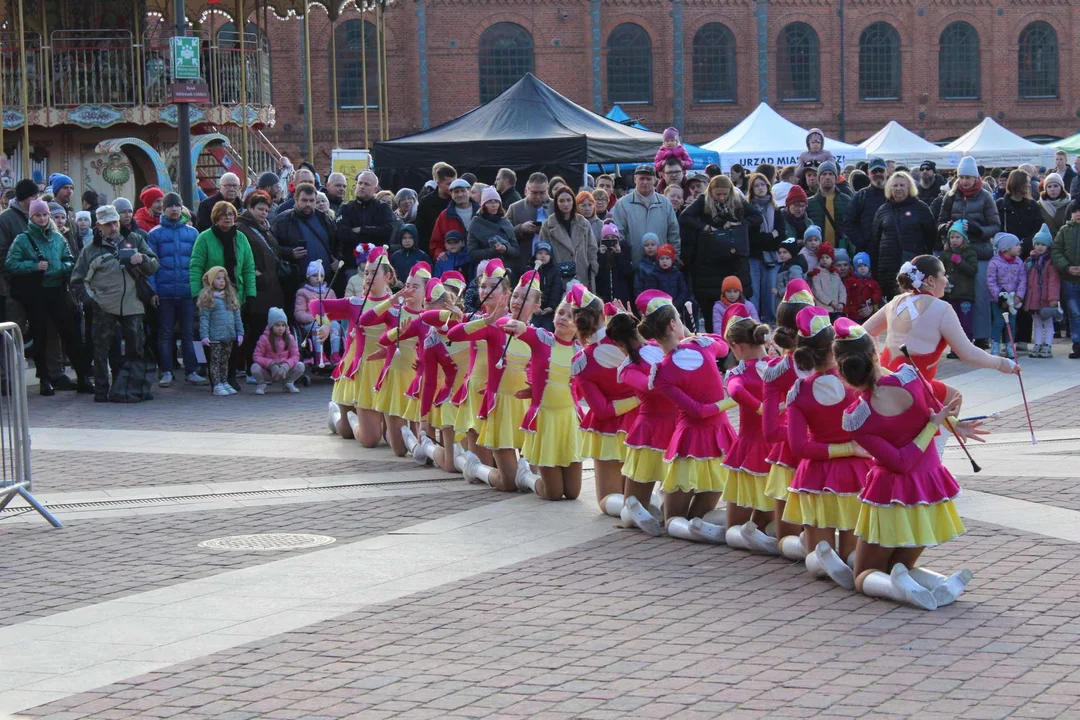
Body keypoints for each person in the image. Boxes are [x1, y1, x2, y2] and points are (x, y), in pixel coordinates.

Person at [835, 321, 978, 610]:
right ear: (875, 353)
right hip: (929, 491)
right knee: (898, 564)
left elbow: (901, 462)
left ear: (842, 370)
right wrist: (949, 424)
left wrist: (938, 424)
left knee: (862, 575)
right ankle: (937, 582)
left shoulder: (857, 416)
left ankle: (906, 589)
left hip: (892, 494)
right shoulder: (910, 376)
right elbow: (934, 412)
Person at [781, 306, 871, 586]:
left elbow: (798, 447)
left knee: (814, 556)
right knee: (851, 552)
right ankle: (859, 569)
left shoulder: (799, 391)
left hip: (816, 477)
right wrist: (851, 448)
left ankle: (794, 547)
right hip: (857, 474)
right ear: (835, 349)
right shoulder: (857, 384)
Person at [861, 255, 1018, 407]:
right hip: (912, 389)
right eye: (943, 275)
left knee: (951, 397)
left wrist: (877, 364)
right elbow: (968, 354)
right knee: (953, 400)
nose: (946, 280)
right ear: (931, 280)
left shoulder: (896, 301)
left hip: (883, 381)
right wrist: (1002, 363)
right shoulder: (942, 308)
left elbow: (861, 333)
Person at [650, 299, 734, 545]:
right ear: (675, 324)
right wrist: (731, 401)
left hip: (690, 440)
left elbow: (696, 411)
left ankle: (695, 528)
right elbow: (724, 346)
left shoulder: (662, 371)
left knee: (673, 520)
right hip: (718, 436)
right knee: (689, 515)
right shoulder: (703, 345)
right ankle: (701, 529)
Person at [497, 286, 585, 501]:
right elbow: (508, 325)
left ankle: (526, 472)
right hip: (545, 419)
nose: (563, 318)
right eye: (560, 313)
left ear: (580, 323)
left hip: (569, 421)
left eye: (570, 315)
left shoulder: (581, 352)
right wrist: (514, 318)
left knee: (572, 494)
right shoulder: (541, 338)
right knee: (553, 494)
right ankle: (526, 476)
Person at [4, 199, 93, 395]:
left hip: (57, 291)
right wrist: (33, 266)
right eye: (38, 215)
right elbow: (10, 264)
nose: (43, 218)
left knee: (70, 333)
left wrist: (58, 268)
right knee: (40, 335)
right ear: (31, 217)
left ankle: (83, 377)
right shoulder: (23, 239)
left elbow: (70, 261)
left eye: (45, 215)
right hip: (36, 293)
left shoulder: (58, 238)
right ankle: (44, 378)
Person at [71, 204, 159, 402]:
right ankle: (102, 390)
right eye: (108, 224)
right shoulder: (90, 250)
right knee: (101, 349)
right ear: (99, 226)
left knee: (136, 348)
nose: (113, 227)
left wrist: (142, 259)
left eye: (115, 222)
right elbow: (77, 280)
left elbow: (154, 265)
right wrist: (93, 301)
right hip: (103, 306)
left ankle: (135, 389)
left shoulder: (135, 239)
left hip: (133, 305)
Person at [604, 299, 673, 536]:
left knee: (633, 507)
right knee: (632, 508)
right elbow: (650, 386)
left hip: (662, 428)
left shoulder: (644, 355)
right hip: (652, 430)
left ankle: (611, 502)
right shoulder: (637, 361)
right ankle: (609, 503)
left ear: (617, 343)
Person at [314, 247, 395, 443]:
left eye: (374, 272)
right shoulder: (355, 303)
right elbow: (316, 305)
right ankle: (339, 415)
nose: (368, 277)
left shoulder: (397, 305)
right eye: (366, 272)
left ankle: (367, 418)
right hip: (360, 371)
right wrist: (325, 324)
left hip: (386, 372)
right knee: (357, 436)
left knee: (390, 436)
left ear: (388, 276)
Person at [571, 285, 636, 515]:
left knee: (607, 500)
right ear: (602, 314)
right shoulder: (632, 340)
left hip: (609, 430)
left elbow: (602, 410)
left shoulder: (581, 361)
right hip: (643, 427)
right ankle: (650, 504)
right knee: (640, 488)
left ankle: (638, 507)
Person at [764, 280, 816, 559]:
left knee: (788, 541)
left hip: (795, 457)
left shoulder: (776, 370)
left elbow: (772, 432)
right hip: (822, 458)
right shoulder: (836, 366)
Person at [359, 262, 431, 457]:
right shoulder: (394, 313)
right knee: (399, 451)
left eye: (415, 287)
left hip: (418, 383)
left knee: (422, 450)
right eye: (407, 285)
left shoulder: (429, 317)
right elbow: (364, 321)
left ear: (427, 291)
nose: (409, 290)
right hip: (395, 381)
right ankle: (351, 417)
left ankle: (412, 442)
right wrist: (392, 299)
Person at [680, 174, 761, 331]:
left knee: (737, 315)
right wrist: (704, 227)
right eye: (718, 194)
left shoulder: (738, 201)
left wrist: (738, 223)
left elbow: (757, 217)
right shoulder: (703, 201)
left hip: (734, 263)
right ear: (711, 191)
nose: (722, 198)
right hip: (709, 264)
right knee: (712, 314)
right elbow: (685, 217)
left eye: (725, 194)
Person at [937, 155, 1000, 347]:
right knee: (956, 297)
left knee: (980, 295)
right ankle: (958, 339)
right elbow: (939, 221)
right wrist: (944, 228)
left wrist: (978, 230)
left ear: (976, 178)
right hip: (955, 253)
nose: (964, 181)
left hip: (979, 252)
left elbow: (995, 225)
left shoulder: (986, 197)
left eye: (968, 177)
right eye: (961, 177)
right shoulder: (949, 197)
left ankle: (981, 336)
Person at [147, 192, 206, 387]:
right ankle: (166, 371)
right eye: (169, 206)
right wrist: (153, 290)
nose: (173, 209)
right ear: (163, 209)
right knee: (165, 334)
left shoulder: (192, 233)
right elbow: (151, 267)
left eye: (177, 205)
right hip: (164, 294)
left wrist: (198, 289)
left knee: (190, 333)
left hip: (188, 293)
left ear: (182, 209)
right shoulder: (154, 234)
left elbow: (198, 264)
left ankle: (193, 370)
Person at [235, 190, 286, 372]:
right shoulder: (241, 227)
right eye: (260, 209)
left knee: (266, 327)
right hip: (256, 285)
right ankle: (249, 367)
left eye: (266, 210)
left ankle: (262, 365)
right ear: (249, 208)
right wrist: (252, 271)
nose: (263, 213)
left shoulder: (265, 227)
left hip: (271, 284)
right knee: (254, 328)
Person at [870, 171, 938, 298]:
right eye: (895, 186)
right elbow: (876, 240)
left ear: (909, 187)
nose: (898, 189)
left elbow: (931, 237)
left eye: (902, 185)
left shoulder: (921, 208)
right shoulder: (882, 210)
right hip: (888, 270)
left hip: (914, 268)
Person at [271, 183, 339, 303]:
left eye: (312, 200)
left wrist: (337, 259)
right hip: (297, 280)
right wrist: (290, 253)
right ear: (295, 200)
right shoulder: (282, 220)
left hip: (325, 280)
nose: (308, 204)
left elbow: (337, 242)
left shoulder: (325, 218)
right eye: (304, 200)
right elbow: (271, 247)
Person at [334, 171, 393, 292]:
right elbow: (342, 234)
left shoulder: (383, 208)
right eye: (360, 183)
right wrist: (370, 237)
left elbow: (387, 231)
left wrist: (362, 229)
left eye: (366, 184)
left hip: (377, 267)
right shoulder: (346, 208)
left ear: (375, 188)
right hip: (352, 265)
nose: (362, 186)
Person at [611, 164, 680, 264]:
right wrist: (624, 260)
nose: (645, 182)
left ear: (655, 180)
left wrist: (674, 257)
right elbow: (619, 234)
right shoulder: (622, 204)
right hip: (633, 264)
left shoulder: (665, 203)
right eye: (641, 178)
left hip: (661, 266)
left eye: (648, 179)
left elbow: (674, 233)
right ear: (635, 179)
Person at [197, 266, 244, 397]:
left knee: (225, 361)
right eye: (218, 278)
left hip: (229, 336)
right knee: (215, 361)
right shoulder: (209, 298)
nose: (222, 281)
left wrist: (240, 333)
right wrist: (204, 336)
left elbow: (237, 317)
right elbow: (204, 319)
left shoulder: (230, 297)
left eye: (223, 278)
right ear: (212, 280)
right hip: (215, 338)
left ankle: (224, 381)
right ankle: (216, 384)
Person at [746, 172, 785, 324]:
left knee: (770, 292)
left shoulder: (775, 209)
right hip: (754, 256)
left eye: (762, 184)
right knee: (754, 292)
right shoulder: (748, 209)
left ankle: (770, 322)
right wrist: (770, 235)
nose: (760, 188)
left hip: (772, 257)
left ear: (768, 187)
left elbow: (781, 234)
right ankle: (755, 323)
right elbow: (752, 238)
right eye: (756, 185)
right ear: (752, 189)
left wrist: (767, 238)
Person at [540, 186, 597, 288]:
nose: (565, 204)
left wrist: (592, 267)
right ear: (556, 203)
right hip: (559, 276)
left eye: (568, 200)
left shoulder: (583, 223)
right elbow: (544, 250)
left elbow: (591, 247)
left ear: (573, 202)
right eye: (561, 201)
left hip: (582, 273)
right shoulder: (548, 225)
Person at [1023, 225, 1061, 358]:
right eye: (1037, 244)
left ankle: (1048, 345)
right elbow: (1025, 278)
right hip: (1033, 298)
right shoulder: (1030, 261)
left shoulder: (1050, 263)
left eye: (1043, 245)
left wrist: (1053, 298)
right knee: (1037, 323)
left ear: (1048, 246)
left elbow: (1053, 282)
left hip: (1046, 299)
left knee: (1048, 323)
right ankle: (1038, 344)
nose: (1039, 247)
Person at [295, 259, 343, 363]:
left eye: (321, 275)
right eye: (315, 275)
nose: (318, 278)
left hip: (327, 321)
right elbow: (299, 313)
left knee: (335, 325)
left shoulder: (330, 292)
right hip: (310, 323)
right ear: (308, 277)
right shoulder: (303, 292)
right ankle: (319, 354)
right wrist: (315, 318)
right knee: (317, 327)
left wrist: (328, 318)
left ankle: (335, 354)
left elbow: (337, 311)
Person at [937, 221, 978, 344]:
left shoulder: (970, 253)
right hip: (950, 295)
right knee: (952, 323)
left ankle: (967, 346)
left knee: (965, 322)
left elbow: (973, 270)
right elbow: (940, 271)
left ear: (964, 238)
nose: (954, 240)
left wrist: (960, 262)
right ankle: (955, 348)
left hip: (965, 294)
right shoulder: (946, 254)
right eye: (951, 237)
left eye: (957, 237)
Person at [986, 233, 1026, 359]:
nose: (1019, 247)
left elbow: (1023, 279)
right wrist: (999, 295)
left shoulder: (1019, 263)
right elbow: (990, 280)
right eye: (1016, 245)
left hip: (1013, 299)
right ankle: (995, 345)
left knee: (1012, 323)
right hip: (998, 300)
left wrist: (1019, 296)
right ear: (1006, 248)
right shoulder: (994, 263)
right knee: (998, 322)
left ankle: (1010, 345)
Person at [1050, 199, 1080, 359]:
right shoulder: (1064, 230)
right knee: (1074, 314)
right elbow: (1056, 251)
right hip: (1070, 279)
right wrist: (1067, 267)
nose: (1078, 214)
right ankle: (1077, 344)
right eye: (1075, 211)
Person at [506, 172, 553, 274]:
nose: (538, 196)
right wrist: (521, 228)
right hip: (524, 263)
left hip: (551, 264)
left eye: (542, 192)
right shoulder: (515, 208)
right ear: (527, 190)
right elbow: (504, 234)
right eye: (534, 192)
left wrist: (546, 230)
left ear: (547, 190)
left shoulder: (556, 206)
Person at [843, 157, 889, 257]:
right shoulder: (860, 196)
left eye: (881, 171)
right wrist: (862, 242)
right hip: (867, 254)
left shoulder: (894, 195)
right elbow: (847, 222)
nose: (878, 174)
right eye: (874, 171)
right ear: (868, 174)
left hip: (891, 252)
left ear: (887, 172)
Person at [251, 306, 303, 394]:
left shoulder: (290, 338)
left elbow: (295, 355)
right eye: (277, 325)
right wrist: (271, 364)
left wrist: (287, 365)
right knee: (255, 367)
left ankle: (289, 383)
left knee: (300, 365)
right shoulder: (264, 338)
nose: (281, 328)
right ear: (271, 326)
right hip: (269, 371)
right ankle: (261, 385)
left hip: (285, 370)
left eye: (283, 325)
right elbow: (256, 356)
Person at [466, 186, 517, 271]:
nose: (493, 205)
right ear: (483, 205)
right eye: (489, 202)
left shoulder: (505, 222)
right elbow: (472, 253)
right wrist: (492, 250)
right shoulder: (476, 224)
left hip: (506, 268)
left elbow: (516, 250)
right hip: (484, 269)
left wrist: (506, 249)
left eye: (496, 201)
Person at [429, 178, 480, 263]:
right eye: (456, 192)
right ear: (451, 194)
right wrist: (439, 253)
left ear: (469, 192)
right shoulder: (444, 216)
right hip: (453, 263)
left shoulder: (481, 212)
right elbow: (435, 242)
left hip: (477, 262)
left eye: (463, 191)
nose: (460, 194)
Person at [643, 244, 692, 324]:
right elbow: (652, 294)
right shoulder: (653, 275)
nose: (664, 261)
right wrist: (663, 305)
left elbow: (683, 291)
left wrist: (675, 304)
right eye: (661, 258)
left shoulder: (678, 274)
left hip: (676, 308)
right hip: (660, 310)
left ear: (672, 260)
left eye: (667, 258)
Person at [415, 163, 456, 254]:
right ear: (439, 184)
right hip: (432, 250)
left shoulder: (458, 201)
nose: (452, 187)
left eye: (454, 183)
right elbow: (421, 230)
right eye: (448, 184)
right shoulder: (426, 202)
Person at [594, 223, 633, 303]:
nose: (610, 240)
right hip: (604, 295)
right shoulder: (598, 253)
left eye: (613, 238)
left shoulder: (624, 251)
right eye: (607, 238)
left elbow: (628, 273)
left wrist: (619, 254)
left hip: (622, 297)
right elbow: (597, 274)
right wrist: (601, 256)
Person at [810, 242, 846, 319]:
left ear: (832, 259)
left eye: (827, 257)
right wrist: (830, 302)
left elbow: (842, 289)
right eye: (822, 257)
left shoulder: (835, 274)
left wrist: (841, 303)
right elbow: (817, 291)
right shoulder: (817, 273)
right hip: (823, 309)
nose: (824, 260)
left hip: (837, 309)